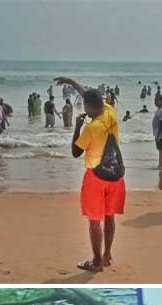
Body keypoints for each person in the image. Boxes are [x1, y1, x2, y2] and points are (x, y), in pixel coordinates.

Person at [58, 76, 126, 273]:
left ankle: (96, 262)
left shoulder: (90, 128)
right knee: (109, 216)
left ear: (88, 107)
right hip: (116, 176)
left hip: (96, 178)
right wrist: (71, 82)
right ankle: (107, 255)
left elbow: (75, 152)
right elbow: (89, 96)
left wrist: (77, 127)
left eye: (85, 108)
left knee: (95, 220)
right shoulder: (110, 112)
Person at [151, 94, 162, 171]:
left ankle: (161, 165)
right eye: (155, 100)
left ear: (161, 101)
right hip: (158, 131)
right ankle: (160, 164)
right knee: (159, 148)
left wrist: (158, 135)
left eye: (156, 100)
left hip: (160, 132)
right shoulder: (160, 109)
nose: (155, 102)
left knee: (161, 148)